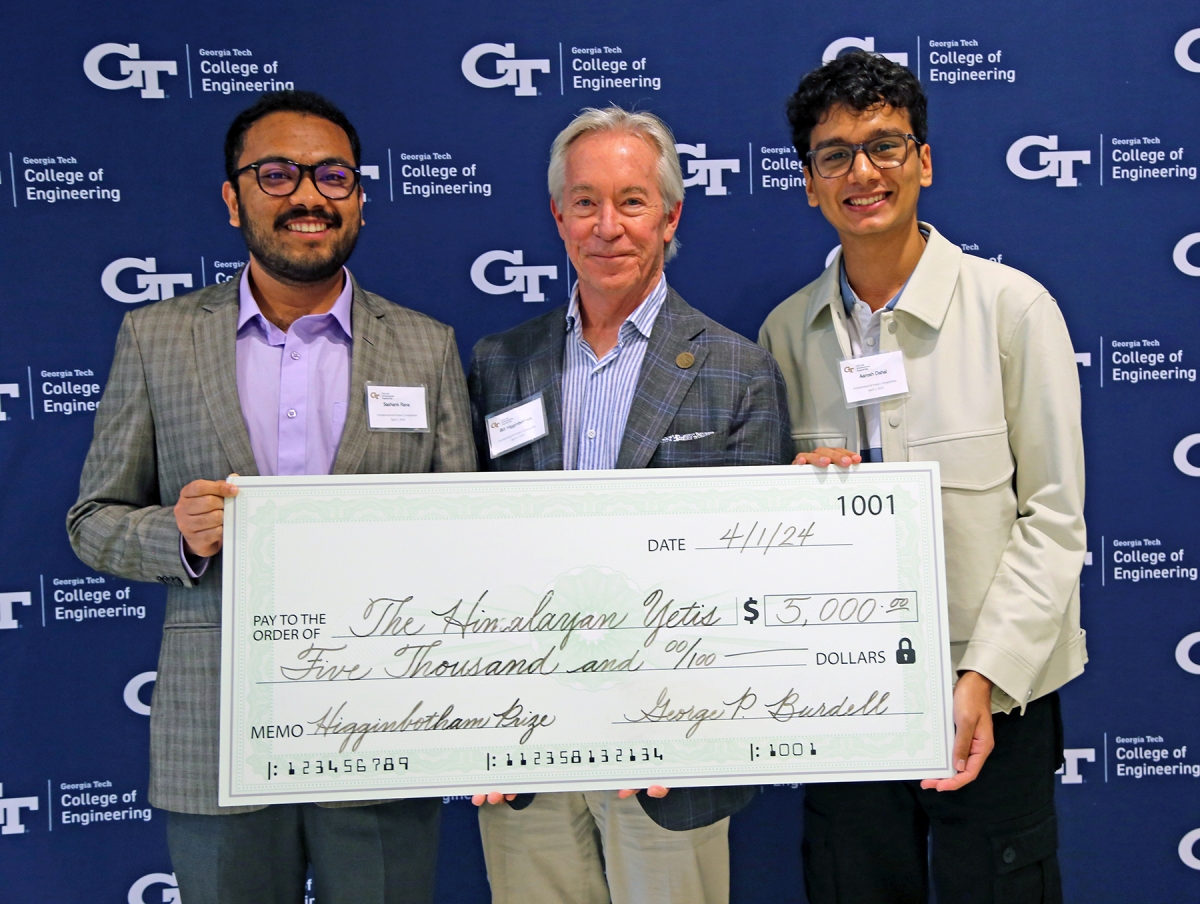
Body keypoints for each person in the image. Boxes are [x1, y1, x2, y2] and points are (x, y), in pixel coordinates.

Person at [67, 90, 476, 904]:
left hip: (384, 726)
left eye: (332, 176)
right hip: (217, 735)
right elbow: (92, 523)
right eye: (278, 174)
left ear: (359, 197)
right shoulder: (157, 337)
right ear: (234, 199)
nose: (308, 196)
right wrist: (177, 534)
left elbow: (466, 536)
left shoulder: (427, 347)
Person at [758, 52, 1086, 903]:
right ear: (809, 183)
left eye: (886, 147)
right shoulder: (785, 336)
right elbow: (762, 538)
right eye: (834, 154)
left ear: (925, 162)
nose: (862, 172)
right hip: (846, 698)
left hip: (997, 697)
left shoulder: (1015, 311)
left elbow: (1052, 519)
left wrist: (983, 677)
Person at [467, 106, 791, 904]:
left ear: (671, 215)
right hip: (525, 738)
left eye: (632, 201)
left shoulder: (737, 370)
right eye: (585, 202)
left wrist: (693, 721)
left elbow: (750, 575)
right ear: (558, 216)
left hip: (668, 749)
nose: (607, 226)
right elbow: (469, 557)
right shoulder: (500, 364)